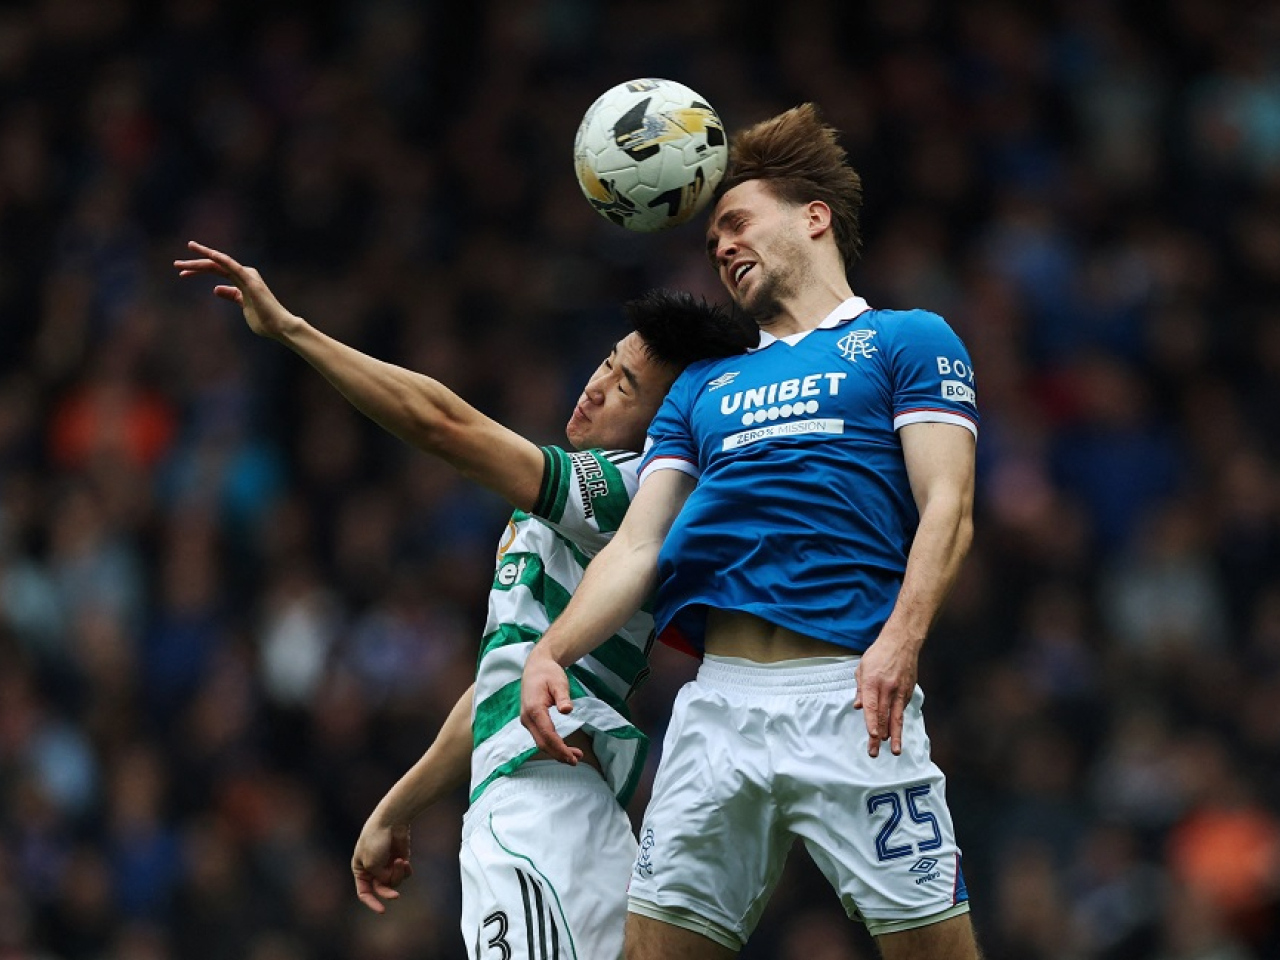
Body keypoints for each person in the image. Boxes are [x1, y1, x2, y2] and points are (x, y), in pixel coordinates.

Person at [172, 241, 756, 959]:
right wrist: (400, 804)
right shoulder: (574, 519)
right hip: (554, 809)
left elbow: (443, 424)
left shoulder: (630, 492)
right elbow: (500, 687)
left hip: (546, 818)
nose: (597, 385)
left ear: (666, 425)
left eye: (627, 388)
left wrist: (293, 329)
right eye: (608, 361)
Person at [519, 104, 983, 960]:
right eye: (711, 242)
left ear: (813, 217)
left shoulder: (904, 341)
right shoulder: (704, 387)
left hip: (853, 695)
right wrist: (552, 652)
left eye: (737, 222)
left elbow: (948, 503)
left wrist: (901, 641)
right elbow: (637, 545)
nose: (723, 246)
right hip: (717, 715)